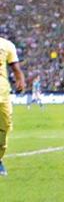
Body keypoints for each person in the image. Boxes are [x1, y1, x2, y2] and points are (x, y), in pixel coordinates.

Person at [0, 34, 26, 177]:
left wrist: (20, 80)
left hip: (3, 93)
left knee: (4, 127)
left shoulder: (6, 45)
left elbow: (15, 68)